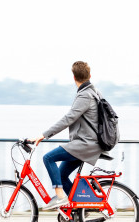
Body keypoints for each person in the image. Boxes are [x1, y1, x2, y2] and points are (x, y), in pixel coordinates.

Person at [31, 61, 107, 210]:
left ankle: (60, 197)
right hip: (87, 143)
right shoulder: (95, 92)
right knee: (61, 174)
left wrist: (43, 135)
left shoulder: (85, 95)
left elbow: (68, 118)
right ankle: (79, 210)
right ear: (89, 75)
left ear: (73, 77)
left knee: (48, 158)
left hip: (85, 145)